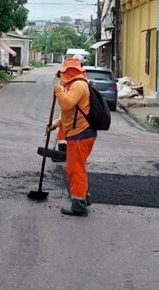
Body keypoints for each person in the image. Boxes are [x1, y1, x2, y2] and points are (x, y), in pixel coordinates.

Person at [46, 57, 96, 216]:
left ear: (69, 72)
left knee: (75, 170)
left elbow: (66, 104)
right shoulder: (74, 85)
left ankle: (79, 205)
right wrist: (55, 124)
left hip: (81, 134)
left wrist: (58, 89)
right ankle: (83, 197)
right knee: (77, 168)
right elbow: (70, 113)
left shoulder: (79, 85)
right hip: (79, 133)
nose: (61, 76)